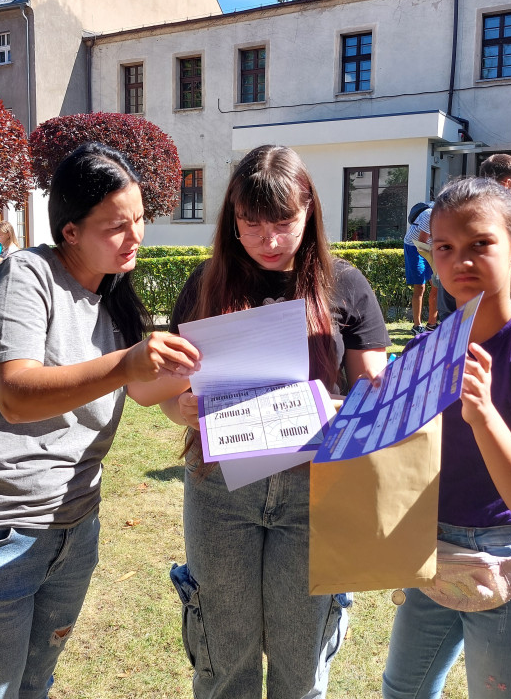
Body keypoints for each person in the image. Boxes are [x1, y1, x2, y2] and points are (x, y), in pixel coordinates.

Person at [0, 142, 200, 699]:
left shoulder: (113, 296)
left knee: (35, 687)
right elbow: (16, 395)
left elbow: (144, 389)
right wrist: (129, 361)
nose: (135, 237)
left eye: (140, 220)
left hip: (72, 531)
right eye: (115, 225)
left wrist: (208, 386)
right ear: (70, 230)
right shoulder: (24, 276)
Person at [137, 144, 390, 699]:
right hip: (221, 489)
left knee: (300, 668)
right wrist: (174, 405)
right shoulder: (207, 282)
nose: (269, 241)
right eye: (251, 224)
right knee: (226, 660)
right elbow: (168, 384)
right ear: (231, 220)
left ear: (309, 212)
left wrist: (354, 405)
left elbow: (376, 390)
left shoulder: (344, 285)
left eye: (283, 222)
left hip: (315, 492)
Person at [381, 177, 511, 699]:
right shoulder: (425, 351)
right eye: (445, 247)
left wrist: (486, 415)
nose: (460, 261)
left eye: (480, 244)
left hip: (505, 559)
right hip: (430, 548)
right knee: (402, 691)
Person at [404, 202, 437, 334]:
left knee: (436, 284)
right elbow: (422, 242)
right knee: (420, 286)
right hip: (415, 246)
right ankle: (417, 326)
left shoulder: (451, 216)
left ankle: (431, 324)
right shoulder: (430, 215)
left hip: (432, 248)